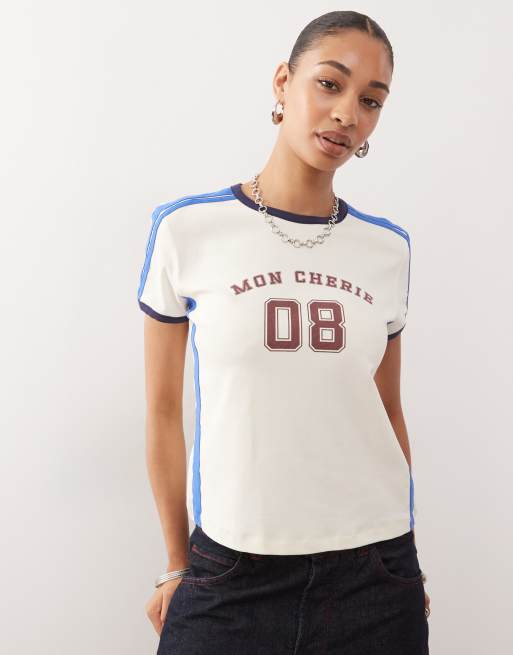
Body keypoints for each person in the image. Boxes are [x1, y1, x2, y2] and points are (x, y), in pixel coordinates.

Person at [139, 10, 430, 654]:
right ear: (282, 82)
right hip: (231, 572)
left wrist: (406, 565)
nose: (347, 113)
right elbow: (161, 412)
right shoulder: (188, 231)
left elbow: (388, 410)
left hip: (375, 572)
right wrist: (176, 563)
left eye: (371, 101)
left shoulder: (387, 250)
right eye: (330, 83)